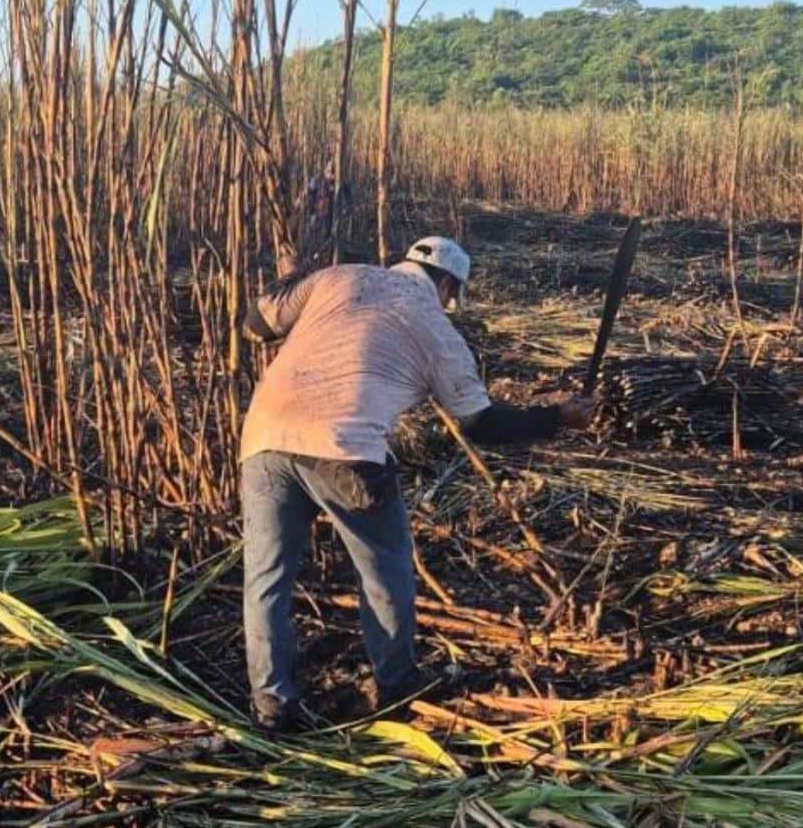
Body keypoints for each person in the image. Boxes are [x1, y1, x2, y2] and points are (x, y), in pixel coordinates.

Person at [238, 235, 593, 732]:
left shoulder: (337, 277)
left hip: (261, 440)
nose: (449, 303)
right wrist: (556, 416)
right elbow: (481, 423)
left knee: (267, 580)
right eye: (452, 295)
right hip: (347, 451)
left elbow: (256, 325)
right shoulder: (435, 326)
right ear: (446, 284)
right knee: (385, 572)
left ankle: (271, 706)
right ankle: (396, 684)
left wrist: (292, 279)